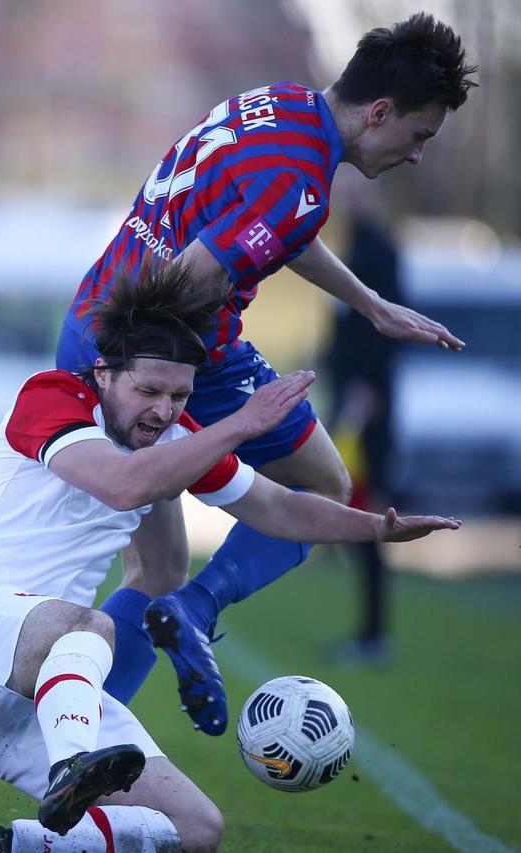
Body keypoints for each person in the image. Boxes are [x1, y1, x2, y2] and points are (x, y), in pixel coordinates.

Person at [0, 264, 459, 852]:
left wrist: (376, 527)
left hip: (29, 693)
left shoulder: (172, 437)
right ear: (104, 373)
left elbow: (279, 509)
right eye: (148, 391)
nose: (164, 411)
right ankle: (75, 763)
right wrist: (242, 423)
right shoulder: (51, 396)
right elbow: (122, 485)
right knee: (86, 622)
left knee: (195, 832)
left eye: (179, 396)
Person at [53, 13, 476, 734]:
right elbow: (198, 270)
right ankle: (190, 617)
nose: (415, 156)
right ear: (380, 112)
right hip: (160, 358)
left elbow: (275, 225)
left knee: (154, 569)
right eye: (419, 136)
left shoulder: (281, 106)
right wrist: (166, 391)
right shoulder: (301, 180)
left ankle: (80, 740)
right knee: (324, 484)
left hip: (93, 323)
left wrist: (370, 304)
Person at [325, 179, 404, 664]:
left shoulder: (379, 249)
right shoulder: (352, 245)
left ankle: (375, 634)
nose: (346, 203)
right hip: (351, 396)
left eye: (355, 195)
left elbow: (385, 324)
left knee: (368, 511)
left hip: (366, 404)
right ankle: (368, 632)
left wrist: (368, 386)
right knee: (348, 506)